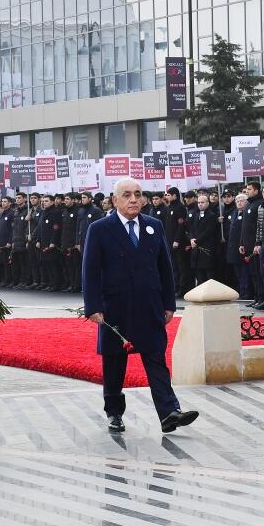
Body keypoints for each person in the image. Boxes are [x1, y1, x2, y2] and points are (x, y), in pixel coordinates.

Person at [82, 177, 199, 434]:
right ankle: (114, 412)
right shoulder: (100, 229)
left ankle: (169, 411)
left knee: (155, 357)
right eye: (126, 195)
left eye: (137, 194)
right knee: (115, 363)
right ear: (114, 200)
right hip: (115, 307)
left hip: (149, 305)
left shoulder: (153, 226)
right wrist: (92, 306)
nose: (134, 199)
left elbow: (165, 268)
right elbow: (90, 270)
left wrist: (169, 303)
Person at [188, 193, 219, 285]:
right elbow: (192, 229)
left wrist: (196, 241)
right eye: (199, 202)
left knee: (208, 271)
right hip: (196, 247)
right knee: (198, 271)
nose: (200, 204)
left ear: (207, 203)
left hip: (206, 246)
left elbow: (208, 231)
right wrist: (192, 239)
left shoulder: (212, 215)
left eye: (202, 202)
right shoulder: (196, 214)